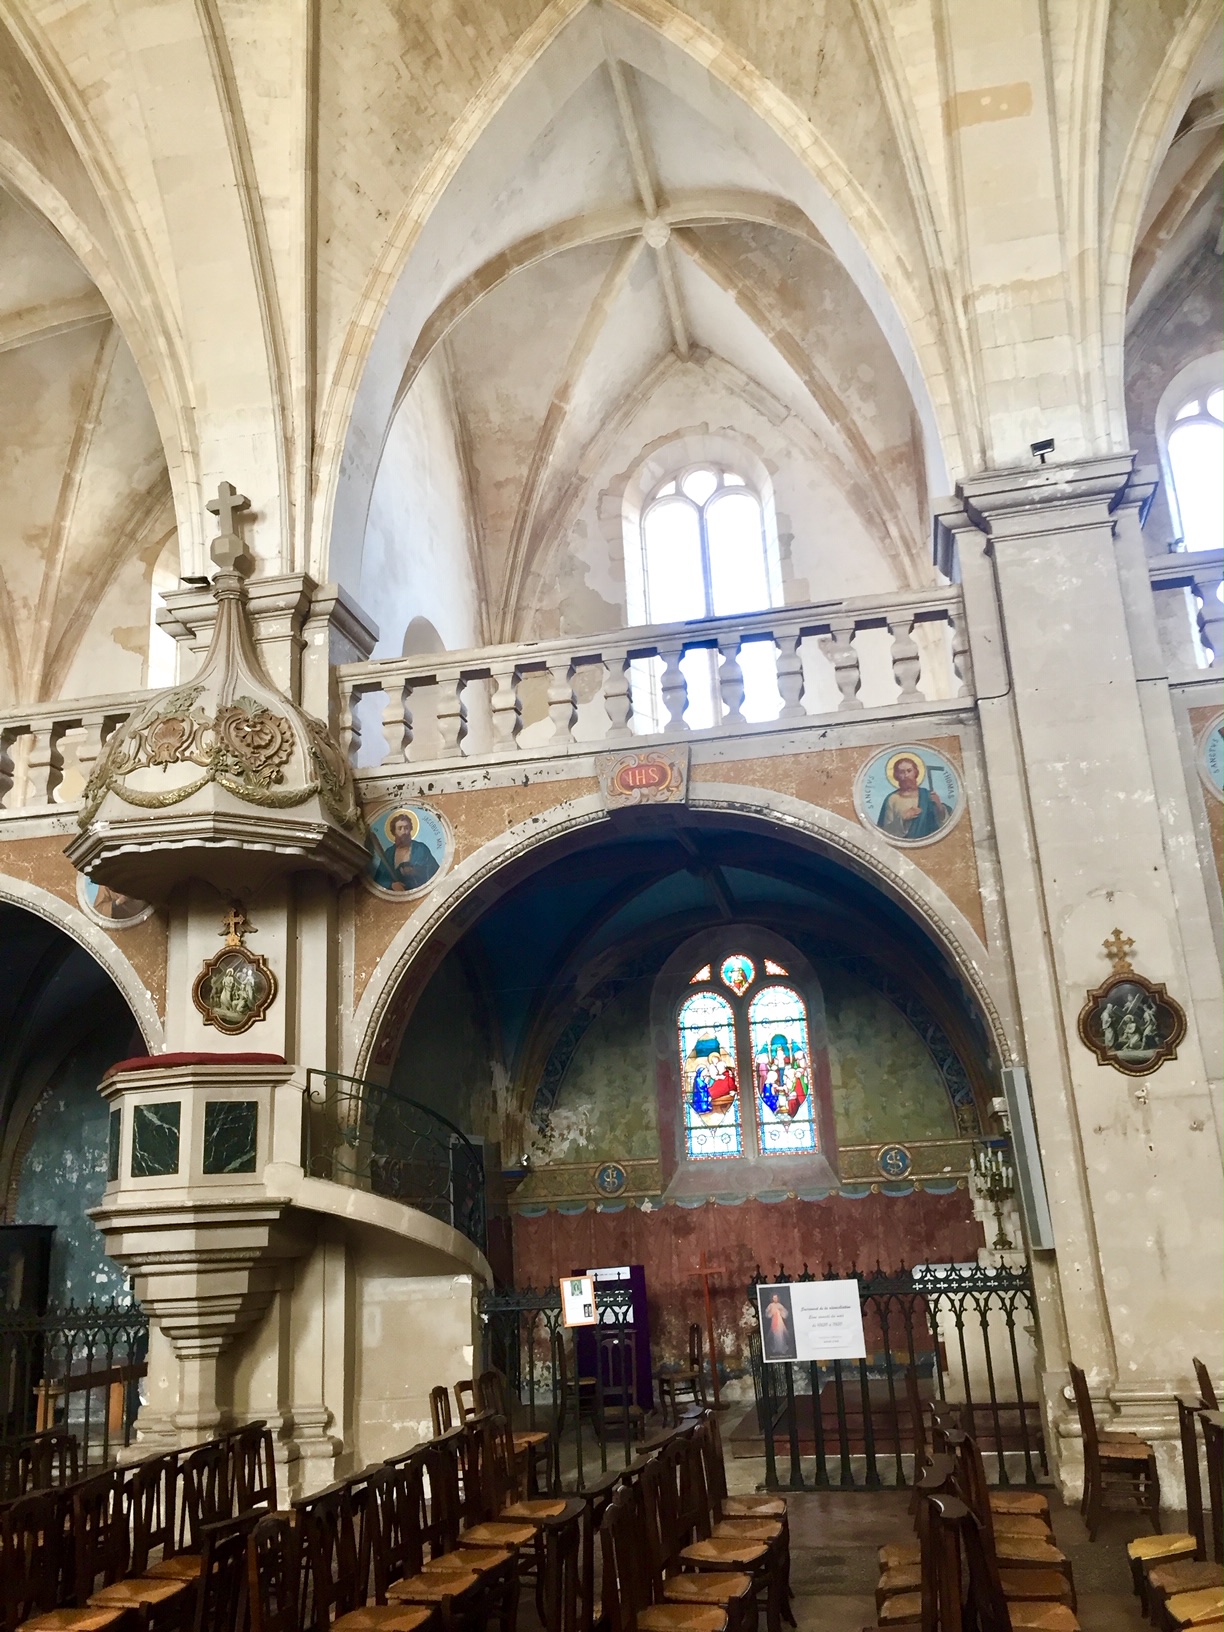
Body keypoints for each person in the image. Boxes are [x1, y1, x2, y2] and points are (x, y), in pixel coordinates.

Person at [877, 754, 949, 841]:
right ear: (896, 775)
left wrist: (939, 807)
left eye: (909, 771)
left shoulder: (927, 796)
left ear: (915, 772)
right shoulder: (892, 799)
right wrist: (903, 818)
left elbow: (944, 824)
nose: (906, 775)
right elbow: (885, 832)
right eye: (901, 772)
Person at [369, 807, 440, 892]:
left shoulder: (421, 848)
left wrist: (415, 871)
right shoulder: (389, 853)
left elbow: (434, 871)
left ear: (410, 830)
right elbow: (379, 878)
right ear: (394, 832)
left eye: (406, 828)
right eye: (400, 828)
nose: (403, 832)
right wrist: (391, 885)